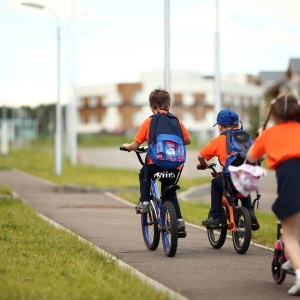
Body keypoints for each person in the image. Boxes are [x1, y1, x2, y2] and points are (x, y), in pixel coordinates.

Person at [246, 94, 300, 296]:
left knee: (290, 235)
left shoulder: (270, 134)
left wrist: (263, 136)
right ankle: (292, 261)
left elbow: (251, 157)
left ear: (275, 115)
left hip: (291, 183)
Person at [122, 87, 191, 235]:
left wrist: (127, 147)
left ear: (151, 107)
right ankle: (179, 222)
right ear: (169, 106)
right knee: (170, 191)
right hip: (174, 165)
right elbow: (188, 140)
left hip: (156, 164)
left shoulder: (150, 122)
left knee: (144, 174)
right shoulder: (177, 121)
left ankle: (145, 202)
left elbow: (135, 145)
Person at [197, 108, 259, 229]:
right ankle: (250, 213)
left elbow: (201, 156)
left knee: (215, 183)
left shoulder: (219, 140)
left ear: (220, 126)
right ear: (237, 124)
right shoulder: (247, 138)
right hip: (249, 176)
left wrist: (203, 164)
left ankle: (215, 217)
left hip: (230, 179)